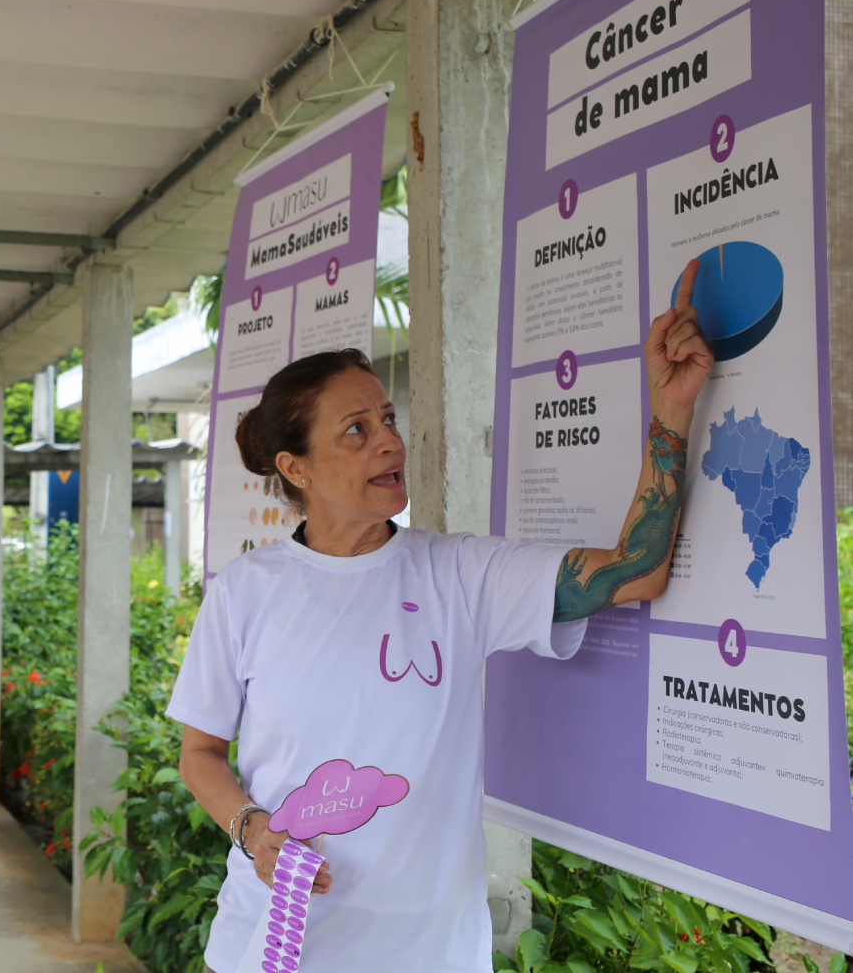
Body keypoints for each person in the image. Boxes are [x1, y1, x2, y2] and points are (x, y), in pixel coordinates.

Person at [169, 264, 712, 973]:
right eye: (356, 432)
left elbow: (635, 569)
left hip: (429, 954)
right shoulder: (246, 591)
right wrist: (252, 828)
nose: (389, 443)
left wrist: (671, 410)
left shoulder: (460, 574)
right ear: (295, 469)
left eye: (387, 420)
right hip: (271, 949)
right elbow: (199, 753)